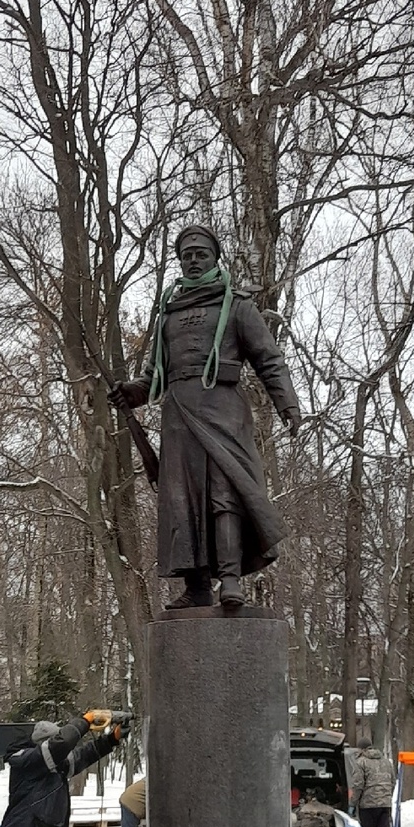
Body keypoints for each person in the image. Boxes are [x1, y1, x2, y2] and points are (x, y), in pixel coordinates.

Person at [115, 225, 301, 609]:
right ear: (180, 262)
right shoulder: (168, 315)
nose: (194, 261)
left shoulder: (237, 306)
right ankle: (197, 585)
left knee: (225, 494)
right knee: (181, 501)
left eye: (201, 254)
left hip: (224, 413)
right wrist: (129, 393)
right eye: (187, 256)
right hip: (179, 417)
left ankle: (230, 579)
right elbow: (155, 377)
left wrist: (288, 404)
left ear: (215, 258)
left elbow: (269, 360)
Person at [351, 736, 396, 827]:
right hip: (385, 805)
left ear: (362, 749)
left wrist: (353, 803)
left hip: (368, 805)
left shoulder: (361, 762)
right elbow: (393, 782)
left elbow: (358, 785)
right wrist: (386, 796)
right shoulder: (386, 762)